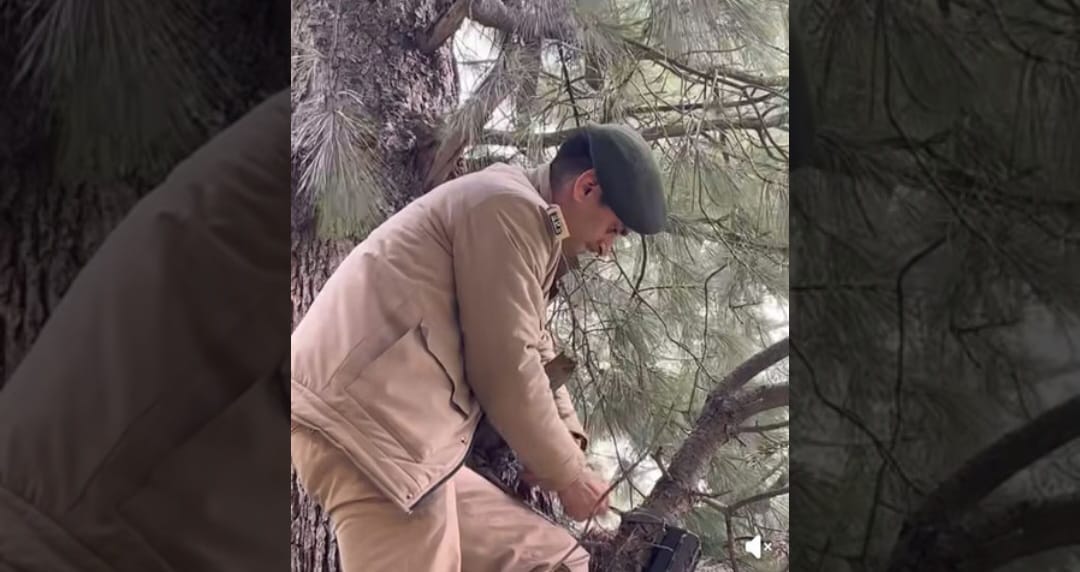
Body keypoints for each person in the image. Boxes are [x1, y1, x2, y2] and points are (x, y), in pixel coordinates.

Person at [290, 123, 667, 572]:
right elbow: (506, 364)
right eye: (614, 230)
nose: (607, 249)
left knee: (553, 560)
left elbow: (535, 345)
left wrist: (568, 443)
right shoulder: (508, 208)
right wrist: (567, 475)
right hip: (372, 427)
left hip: (406, 438)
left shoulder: (524, 220)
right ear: (586, 188)